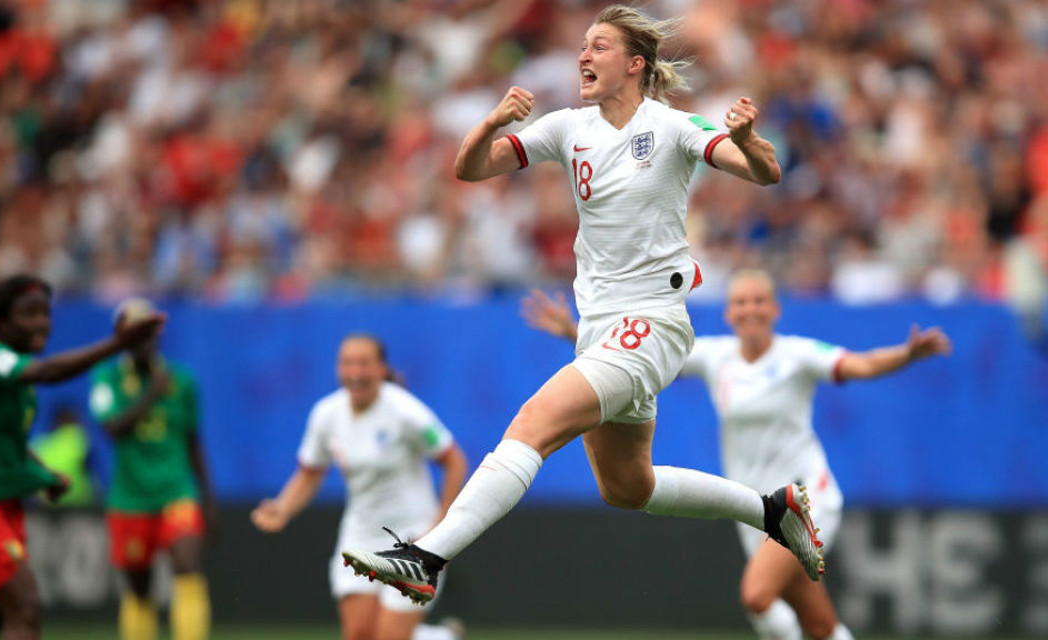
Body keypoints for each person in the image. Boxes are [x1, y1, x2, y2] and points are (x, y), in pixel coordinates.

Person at [341, 4, 824, 606]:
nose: (583, 56)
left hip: (651, 323)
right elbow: (469, 169)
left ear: (635, 63)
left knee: (531, 426)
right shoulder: (568, 127)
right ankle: (772, 511)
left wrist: (749, 142)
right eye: (583, 46)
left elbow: (765, 172)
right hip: (600, 329)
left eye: (599, 46)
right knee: (626, 487)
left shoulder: (672, 126)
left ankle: (425, 556)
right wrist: (492, 121)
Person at [520, 270, 953, 640]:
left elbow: (860, 365)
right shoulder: (716, 356)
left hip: (805, 500)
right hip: (758, 510)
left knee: (757, 596)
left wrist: (907, 354)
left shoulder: (798, 356)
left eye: (760, 301)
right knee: (819, 625)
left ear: (775, 310)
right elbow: (642, 358)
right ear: (729, 313)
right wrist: (574, 331)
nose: (751, 309)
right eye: (741, 302)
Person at [0, 274, 164, 640]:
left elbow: (6, 443)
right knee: (25, 608)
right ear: (0, 323)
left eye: (45, 313)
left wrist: (43, 475)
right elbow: (48, 371)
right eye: (29, 314)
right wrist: (117, 345)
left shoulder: (15, 377)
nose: (42, 322)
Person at [252, 334, 469, 640]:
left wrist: (440, 528)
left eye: (364, 364)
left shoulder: (406, 411)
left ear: (381, 369)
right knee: (358, 634)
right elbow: (310, 473)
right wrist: (282, 507)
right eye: (347, 363)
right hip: (360, 536)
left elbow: (454, 461)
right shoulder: (326, 414)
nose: (355, 372)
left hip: (414, 538)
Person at [88, 297, 216, 640]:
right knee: (139, 589)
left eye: (151, 331)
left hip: (176, 490)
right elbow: (112, 429)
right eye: (137, 333)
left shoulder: (183, 380)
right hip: (129, 497)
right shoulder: (106, 378)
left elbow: (193, 441)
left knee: (188, 569)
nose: (147, 339)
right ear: (122, 337)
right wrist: (150, 395)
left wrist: (208, 497)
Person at [31, 404, 97, 507]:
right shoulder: (78, 437)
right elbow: (89, 468)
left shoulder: (40, 444)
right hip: (77, 502)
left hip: (47, 504)